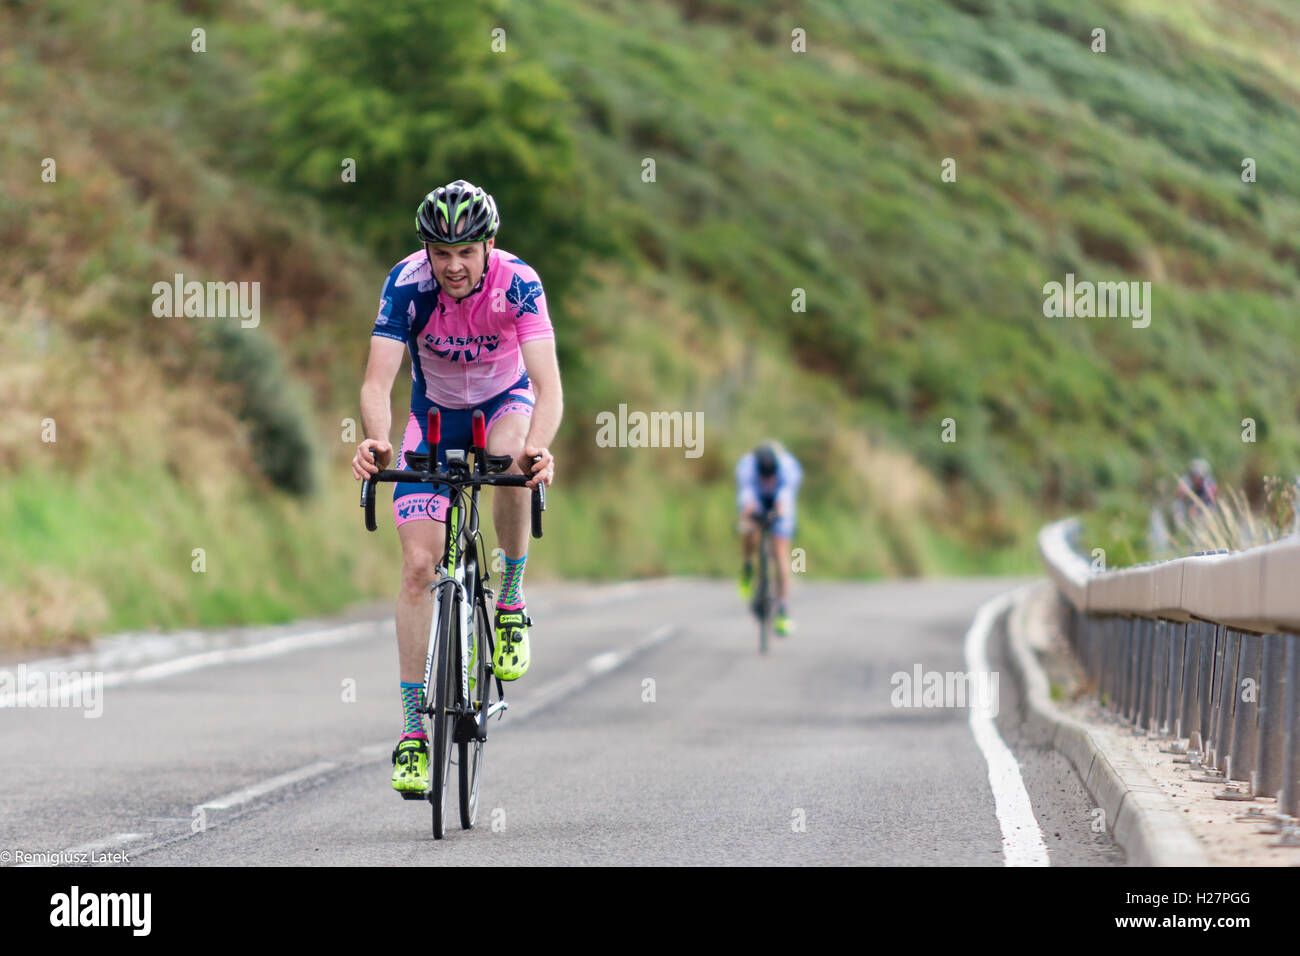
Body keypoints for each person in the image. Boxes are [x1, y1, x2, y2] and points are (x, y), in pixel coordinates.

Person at [351, 180, 562, 796]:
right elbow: (376, 381)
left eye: (466, 251)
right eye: (441, 252)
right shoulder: (407, 283)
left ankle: (512, 597)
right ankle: (415, 732)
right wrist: (376, 439)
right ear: (426, 251)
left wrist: (539, 448)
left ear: (488, 246)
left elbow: (549, 387)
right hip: (432, 417)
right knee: (418, 567)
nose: (453, 266)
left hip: (504, 405)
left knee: (512, 460)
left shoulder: (519, 283)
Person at [736, 442, 802, 636]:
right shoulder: (746, 467)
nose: (767, 479)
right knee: (749, 530)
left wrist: (778, 512)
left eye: (770, 476)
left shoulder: (789, 469)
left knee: (780, 552)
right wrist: (751, 512)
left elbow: (786, 498)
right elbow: (746, 495)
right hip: (756, 497)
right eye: (763, 476)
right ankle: (747, 566)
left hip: (778, 501)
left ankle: (782, 610)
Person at [1173, 457, 1217, 527]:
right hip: (1187, 504)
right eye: (1195, 477)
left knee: (1209, 516)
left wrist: (1198, 509)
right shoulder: (1185, 482)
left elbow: (1212, 499)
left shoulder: (1209, 483)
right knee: (1178, 507)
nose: (1197, 480)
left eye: (1199, 478)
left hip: (1204, 503)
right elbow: (1179, 497)